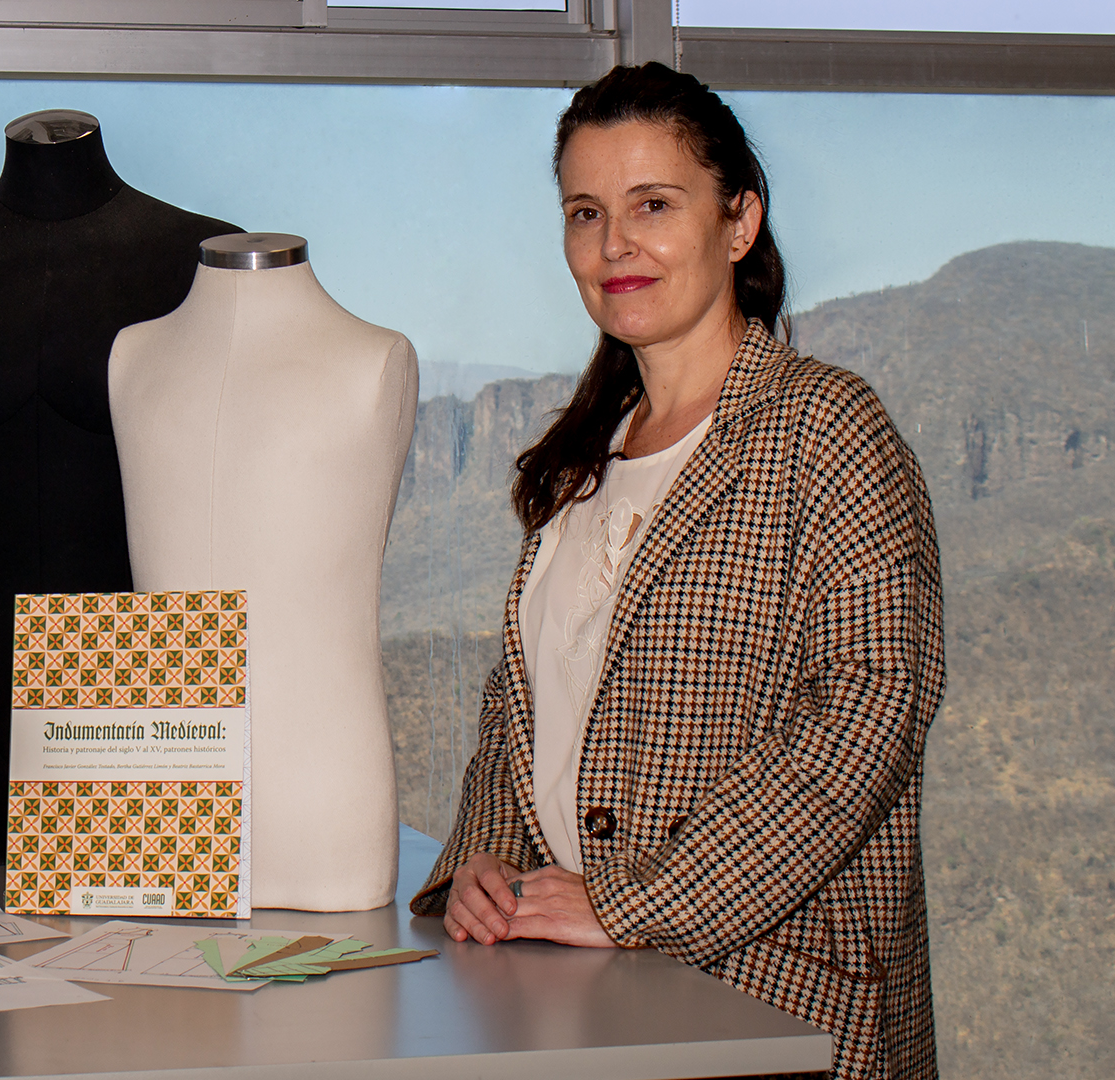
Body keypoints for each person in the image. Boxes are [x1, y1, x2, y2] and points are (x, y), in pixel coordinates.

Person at [409, 63, 945, 1080]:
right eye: (586, 213)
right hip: (571, 997)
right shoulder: (584, 458)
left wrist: (635, 902)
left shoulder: (828, 428)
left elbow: (868, 716)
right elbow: (521, 708)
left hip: (770, 1001)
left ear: (739, 222)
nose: (615, 244)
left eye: (653, 205)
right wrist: (483, 858)